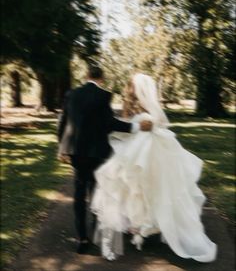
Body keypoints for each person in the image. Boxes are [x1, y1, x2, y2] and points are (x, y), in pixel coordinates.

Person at [91, 73, 217, 262]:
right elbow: (126, 128)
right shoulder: (130, 105)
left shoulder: (148, 111)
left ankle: (147, 224)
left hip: (148, 152)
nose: (130, 88)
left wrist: (148, 127)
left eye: (132, 85)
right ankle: (138, 224)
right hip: (135, 150)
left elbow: (156, 124)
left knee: (148, 187)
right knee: (135, 188)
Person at [57, 65, 152, 254]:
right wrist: (135, 127)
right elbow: (109, 124)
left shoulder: (71, 94)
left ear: (86, 76)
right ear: (102, 79)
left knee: (79, 193)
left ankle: (82, 239)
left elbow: (63, 122)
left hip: (76, 152)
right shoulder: (103, 96)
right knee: (95, 192)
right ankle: (93, 232)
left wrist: (61, 149)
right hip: (98, 152)